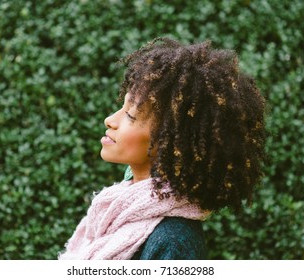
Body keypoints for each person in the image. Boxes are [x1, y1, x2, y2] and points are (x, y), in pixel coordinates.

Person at [59, 37, 266, 260]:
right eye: (122, 107)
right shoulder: (114, 211)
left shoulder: (174, 241)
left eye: (130, 114)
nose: (110, 120)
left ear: (173, 141)